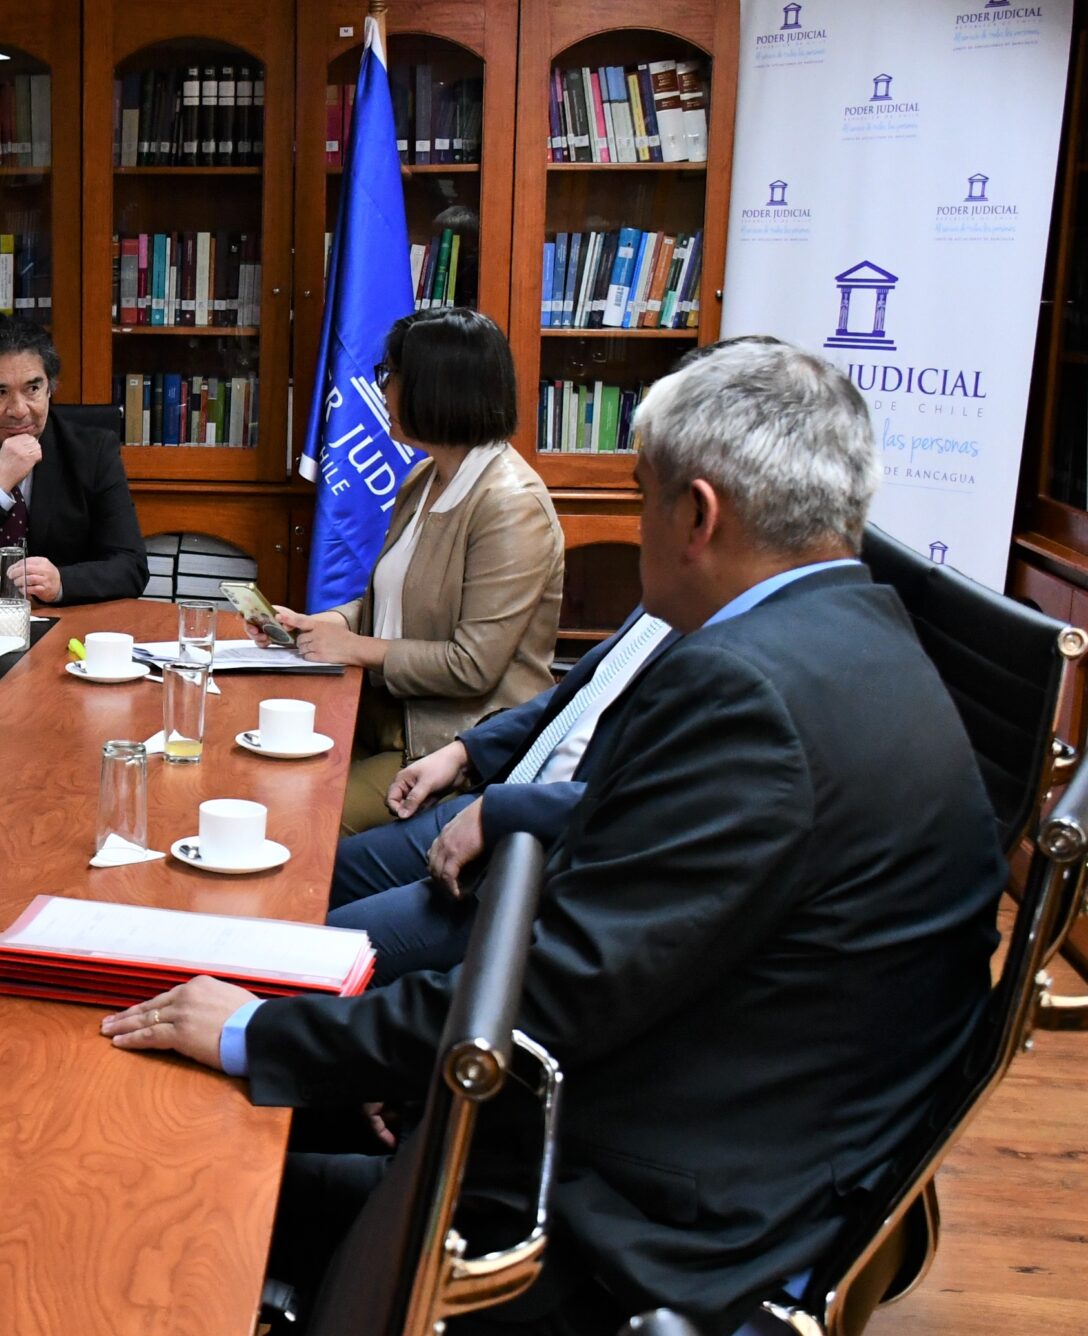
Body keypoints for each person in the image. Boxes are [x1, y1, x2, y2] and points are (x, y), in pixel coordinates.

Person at [105, 340, 1004, 1334]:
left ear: (698, 515)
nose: (635, 522)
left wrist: (260, 1031)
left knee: (165, 1180)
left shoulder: (745, 692)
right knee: (257, 1112)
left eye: (641, 496)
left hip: (637, 1217)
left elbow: (550, 995)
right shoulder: (854, 639)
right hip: (727, 1119)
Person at [269, 308, 562, 831]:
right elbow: (391, 600)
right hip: (382, 717)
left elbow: (472, 665)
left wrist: (351, 647)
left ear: (438, 389)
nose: (383, 391)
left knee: (298, 823)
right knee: (258, 778)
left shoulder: (511, 505)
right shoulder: (424, 477)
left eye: (392, 376)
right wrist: (322, 625)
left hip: (449, 743)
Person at [325, 605, 676, 980]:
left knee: (324, 950)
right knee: (325, 874)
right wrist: (464, 753)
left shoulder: (712, 648)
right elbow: (580, 698)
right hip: (505, 797)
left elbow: (654, 801)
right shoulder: (671, 605)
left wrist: (501, 812)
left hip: (551, 854)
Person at [0, 313, 145, 604]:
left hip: (64, 621)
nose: (19, 410)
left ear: (49, 388)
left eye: (32, 389)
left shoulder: (93, 451)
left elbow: (131, 566)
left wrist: (62, 582)